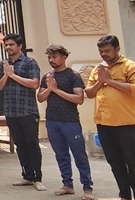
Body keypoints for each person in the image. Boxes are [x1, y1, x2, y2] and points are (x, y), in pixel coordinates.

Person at [85, 35, 135, 200]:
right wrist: (101, 81)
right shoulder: (98, 69)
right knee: (115, 162)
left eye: (107, 50)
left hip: (125, 123)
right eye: (101, 51)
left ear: (117, 49)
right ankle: (124, 195)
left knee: (132, 162)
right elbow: (89, 93)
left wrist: (109, 81)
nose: (104, 54)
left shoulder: (131, 67)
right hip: (103, 123)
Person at [38, 45, 93, 199]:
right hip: (52, 121)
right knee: (61, 155)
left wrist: (56, 90)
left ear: (64, 57)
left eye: (54, 57)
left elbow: (79, 99)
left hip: (70, 121)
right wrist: (49, 88)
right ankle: (67, 184)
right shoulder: (47, 76)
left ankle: (87, 187)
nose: (51, 60)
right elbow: (40, 98)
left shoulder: (73, 76)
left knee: (79, 155)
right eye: (49, 57)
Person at [0, 33, 44, 191]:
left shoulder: (30, 62)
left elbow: (35, 84)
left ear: (20, 46)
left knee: (32, 143)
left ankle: (37, 178)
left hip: (27, 110)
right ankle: (27, 175)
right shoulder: (3, 64)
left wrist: (13, 75)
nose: (8, 47)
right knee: (20, 144)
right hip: (11, 110)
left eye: (11, 44)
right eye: (6, 45)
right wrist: (6, 75)